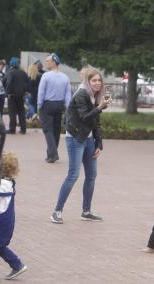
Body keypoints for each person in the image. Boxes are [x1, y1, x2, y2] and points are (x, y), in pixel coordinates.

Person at [50, 68, 111, 224]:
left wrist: (99, 143)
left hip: (88, 139)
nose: (97, 83)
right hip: (75, 139)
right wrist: (99, 107)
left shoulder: (95, 95)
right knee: (73, 175)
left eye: (99, 80)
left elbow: (95, 121)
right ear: (87, 81)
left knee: (91, 175)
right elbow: (84, 117)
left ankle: (86, 211)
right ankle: (56, 211)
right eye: (94, 80)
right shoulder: (82, 94)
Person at [0, 152, 27, 281]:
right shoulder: (6, 181)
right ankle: (17, 265)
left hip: (1, 222)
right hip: (2, 221)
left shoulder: (3, 183)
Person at [37, 53, 72, 163]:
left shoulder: (46, 76)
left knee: (48, 130)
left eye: (47, 61)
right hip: (59, 105)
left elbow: (41, 93)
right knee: (56, 130)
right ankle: (51, 154)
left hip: (47, 105)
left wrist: (39, 106)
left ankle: (53, 154)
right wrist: (67, 107)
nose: (46, 63)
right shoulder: (65, 77)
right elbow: (68, 95)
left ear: (54, 62)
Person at [5, 57, 28, 134]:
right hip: (21, 95)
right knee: (21, 112)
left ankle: (12, 129)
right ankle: (23, 129)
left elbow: (8, 83)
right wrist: (25, 91)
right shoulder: (23, 72)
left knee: (12, 113)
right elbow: (27, 83)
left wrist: (7, 93)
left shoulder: (10, 72)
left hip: (12, 95)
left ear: (11, 64)